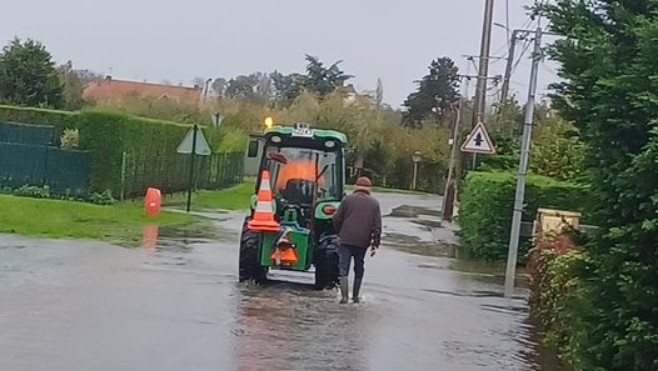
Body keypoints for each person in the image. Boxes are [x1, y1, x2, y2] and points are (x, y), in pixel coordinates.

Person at [332, 176, 382, 304]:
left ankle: (344, 297)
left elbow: (336, 218)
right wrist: (375, 243)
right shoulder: (374, 203)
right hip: (362, 241)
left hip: (345, 239)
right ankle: (355, 297)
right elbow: (377, 226)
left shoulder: (347, 200)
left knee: (344, 266)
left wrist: (339, 232)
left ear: (356, 186)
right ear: (369, 188)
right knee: (359, 266)